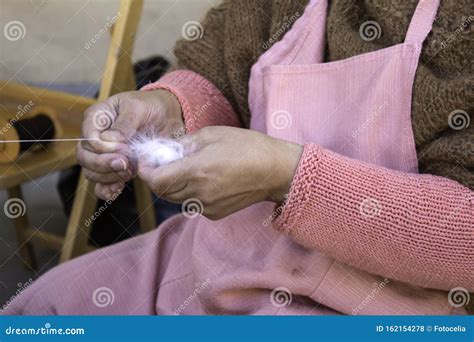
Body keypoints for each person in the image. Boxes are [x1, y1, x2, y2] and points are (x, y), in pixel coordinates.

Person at [3, 0, 472, 315]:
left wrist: (286, 177)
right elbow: (217, 76)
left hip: (378, 306)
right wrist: (167, 107)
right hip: (226, 254)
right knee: (43, 310)